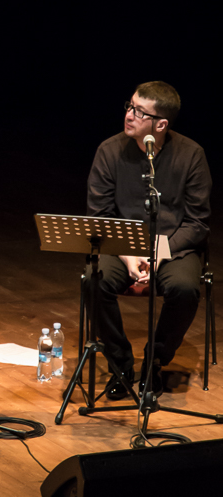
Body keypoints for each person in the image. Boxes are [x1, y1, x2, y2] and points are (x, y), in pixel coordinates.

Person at [85, 81, 211, 399]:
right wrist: (129, 255)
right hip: (121, 245)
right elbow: (100, 215)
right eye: (129, 106)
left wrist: (159, 252)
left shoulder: (191, 155)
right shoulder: (109, 150)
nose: (129, 115)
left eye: (139, 112)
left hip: (173, 248)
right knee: (93, 279)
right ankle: (121, 366)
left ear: (161, 124)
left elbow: (197, 223)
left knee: (184, 288)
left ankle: (154, 363)